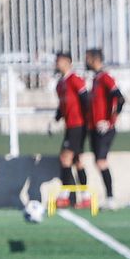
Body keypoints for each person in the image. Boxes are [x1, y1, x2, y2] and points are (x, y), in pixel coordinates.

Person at [82, 47, 124, 203]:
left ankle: (111, 198)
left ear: (95, 59)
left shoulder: (106, 77)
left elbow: (120, 99)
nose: (85, 62)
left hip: (104, 129)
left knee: (101, 161)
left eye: (88, 58)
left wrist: (110, 122)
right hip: (94, 128)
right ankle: (109, 197)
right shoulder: (95, 78)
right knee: (98, 162)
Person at [53, 51, 90, 206]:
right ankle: (86, 197)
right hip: (70, 126)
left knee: (65, 157)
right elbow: (62, 107)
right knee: (77, 160)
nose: (57, 64)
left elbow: (85, 99)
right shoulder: (60, 84)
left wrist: (87, 122)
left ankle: (64, 194)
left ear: (68, 62)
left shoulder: (75, 79)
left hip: (78, 125)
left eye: (60, 61)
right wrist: (54, 120)